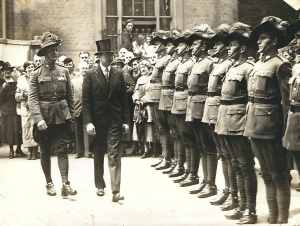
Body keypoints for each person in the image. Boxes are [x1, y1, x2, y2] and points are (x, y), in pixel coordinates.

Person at [244, 16, 291, 224]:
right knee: (265, 172)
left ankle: (281, 218)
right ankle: (272, 216)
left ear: (273, 41)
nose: (258, 42)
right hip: (254, 124)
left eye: (262, 38)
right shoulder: (257, 64)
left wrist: (285, 133)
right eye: (258, 39)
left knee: (279, 174)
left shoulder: (280, 65)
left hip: (272, 127)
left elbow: (286, 102)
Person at [215, 23, 258, 224]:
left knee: (245, 166)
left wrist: (249, 127)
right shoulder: (232, 67)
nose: (228, 49)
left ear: (242, 48)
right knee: (236, 165)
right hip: (226, 121)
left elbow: (252, 99)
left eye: (232, 45)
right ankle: (240, 204)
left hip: (239, 123)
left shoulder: (249, 68)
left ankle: (250, 210)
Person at [29, 31, 77, 197]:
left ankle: (65, 183)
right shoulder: (36, 74)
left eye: (56, 49)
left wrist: (71, 117)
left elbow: (70, 97)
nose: (55, 52)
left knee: (62, 150)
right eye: (51, 50)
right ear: (44, 53)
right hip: (45, 118)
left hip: (61, 117)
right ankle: (49, 183)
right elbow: (33, 99)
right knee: (44, 151)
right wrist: (38, 119)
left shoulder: (64, 71)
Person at [82, 39, 130, 202]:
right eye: (106, 55)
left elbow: (123, 100)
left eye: (111, 54)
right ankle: (100, 185)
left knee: (114, 153)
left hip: (114, 120)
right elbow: (86, 101)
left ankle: (115, 190)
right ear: (99, 57)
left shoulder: (119, 73)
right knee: (98, 152)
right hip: (97, 121)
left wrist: (125, 121)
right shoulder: (90, 74)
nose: (109, 57)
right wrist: (88, 122)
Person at [201, 24, 235, 206]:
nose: (217, 47)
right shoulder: (219, 63)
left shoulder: (229, 64)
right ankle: (224, 189)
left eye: (220, 43)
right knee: (222, 152)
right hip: (215, 110)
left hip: (226, 112)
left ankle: (231, 192)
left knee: (228, 154)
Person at [184, 26, 218, 194]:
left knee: (208, 146)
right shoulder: (197, 63)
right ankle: (204, 181)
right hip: (193, 107)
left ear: (203, 46)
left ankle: (211, 183)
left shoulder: (210, 63)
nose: (192, 47)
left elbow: (213, 88)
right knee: (201, 145)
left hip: (204, 107)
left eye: (195, 44)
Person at [168, 30, 194, 181]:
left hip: (185, 101)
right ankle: (181, 166)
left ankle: (191, 172)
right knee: (178, 134)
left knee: (188, 138)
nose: (177, 48)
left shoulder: (191, 63)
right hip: (177, 101)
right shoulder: (181, 63)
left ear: (188, 48)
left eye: (181, 45)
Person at [157, 36, 181, 172]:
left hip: (173, 99)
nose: (167, 47)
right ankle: (172, 161)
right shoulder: (171, 61)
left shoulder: (177, 62)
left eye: (170, 45)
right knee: (171, 130)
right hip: (166, 98)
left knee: (176, 132)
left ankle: (177, 162)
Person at [284, 19, 300, 192]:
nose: (296, 42)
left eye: (299, 37)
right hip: (295, 116)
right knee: (296, 152)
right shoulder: (296, 67)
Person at [15, 61, 39, 160]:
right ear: (25, 69)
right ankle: (29, 152)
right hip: (25, 107)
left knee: (36, 128)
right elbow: (16, 95)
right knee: (26, 128)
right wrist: (22, 95)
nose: (30, 69)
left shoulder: (37, 77)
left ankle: (35, 152)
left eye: (32, 67)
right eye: (28, 67)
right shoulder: (21, 80)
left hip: (36, 106)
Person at [0, 62, 24, 159]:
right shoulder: (1, 82)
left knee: (18, 129)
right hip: (6, 109)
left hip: (16, 108)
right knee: (9, 131)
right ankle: (11, 150)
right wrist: (3, 89)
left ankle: (18, 148)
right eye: (6, 71)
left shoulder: (16, 80)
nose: (8, 73)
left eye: (9, 71)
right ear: (3, 72)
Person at [132, 60, 154, 158]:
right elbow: (136, 91)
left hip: (148, 105)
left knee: (150, 127)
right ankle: (145, 148)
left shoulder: (152, 78)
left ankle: (153, 148)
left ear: (149, 68)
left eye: (145, 67)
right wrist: (136, 99)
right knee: (141, 127)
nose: (143, 69)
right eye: (141, 67)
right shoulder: (139, 79)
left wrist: (144, 100)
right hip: (139, 106)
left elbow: (151, 91)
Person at [72, 61, 91, 159]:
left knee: (89, 129)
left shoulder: (91, 80)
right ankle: (79, 151)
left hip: (89, 109)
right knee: (78, 131)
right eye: (82, 68)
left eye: (86, 68)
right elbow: (71, 96)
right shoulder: (74, 82)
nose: (84, 70)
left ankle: (89, 151)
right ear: (79, 70)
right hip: (77, 108)